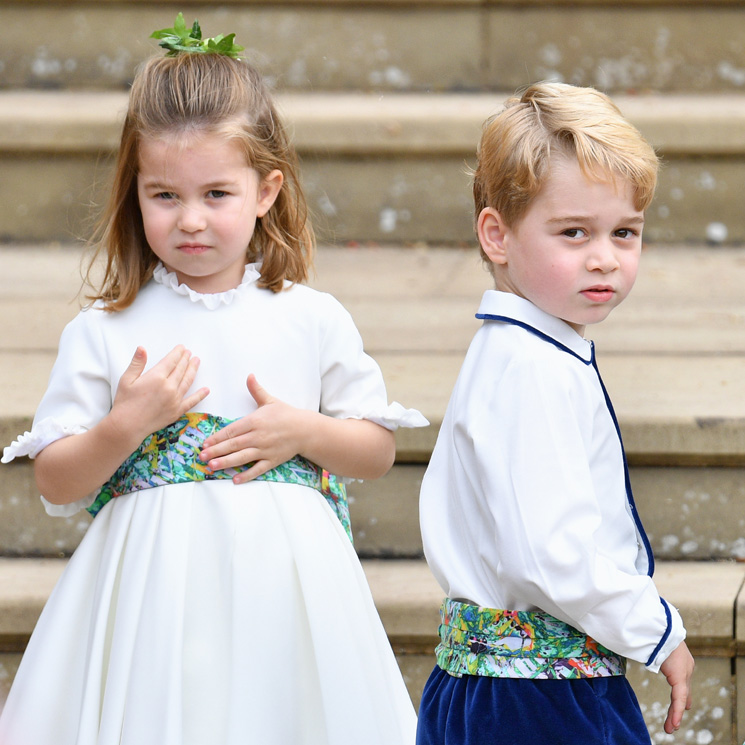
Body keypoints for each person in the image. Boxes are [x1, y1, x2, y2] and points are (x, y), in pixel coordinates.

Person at [0, 15, 425, 745]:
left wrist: (304, 431)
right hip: (152, 610)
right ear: (135, 192)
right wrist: (124, 425)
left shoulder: (310, 317)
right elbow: (57, 481)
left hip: (286, 603)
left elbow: (375, 451)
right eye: (164, 195)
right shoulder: (105, 330)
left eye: (216, 195)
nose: (190, 220)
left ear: (265, 190)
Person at [416, 82, 694, 745]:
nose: (603, 256)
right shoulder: (532, 370)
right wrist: (656, 631)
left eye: (623, 232)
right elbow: (553, 552)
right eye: (573, 232)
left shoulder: (521, 352)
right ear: (497, 235)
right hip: (540, 701)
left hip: (500, 688)